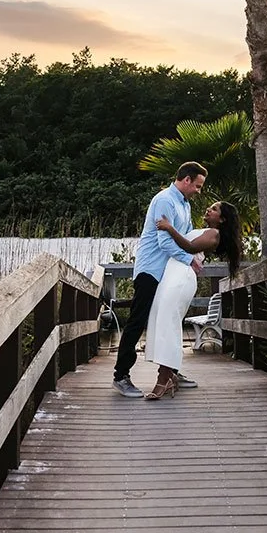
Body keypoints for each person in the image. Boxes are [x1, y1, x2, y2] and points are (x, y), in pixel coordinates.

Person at [112, 162, 207, 398]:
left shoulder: (184, 204)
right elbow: (165, 243)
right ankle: (120, 375)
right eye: (197, 186)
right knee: (138, 320)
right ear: (186, 180)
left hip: (167, 272)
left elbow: (185, 238)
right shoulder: (165, 200)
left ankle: (171, 372)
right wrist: (190, 260)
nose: (198, 191)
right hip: (151, 270)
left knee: (170, 319)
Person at [142, 201, 243, 399]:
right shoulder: (205, 230)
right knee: (161, 321)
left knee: (168, 323)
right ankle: (169, 375)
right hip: (172, 273)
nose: (208, 209)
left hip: (181, 276)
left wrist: (169, 228)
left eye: (214, 209)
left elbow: (189, 247)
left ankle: (163, 380)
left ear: (222, 219)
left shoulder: (214, 234)